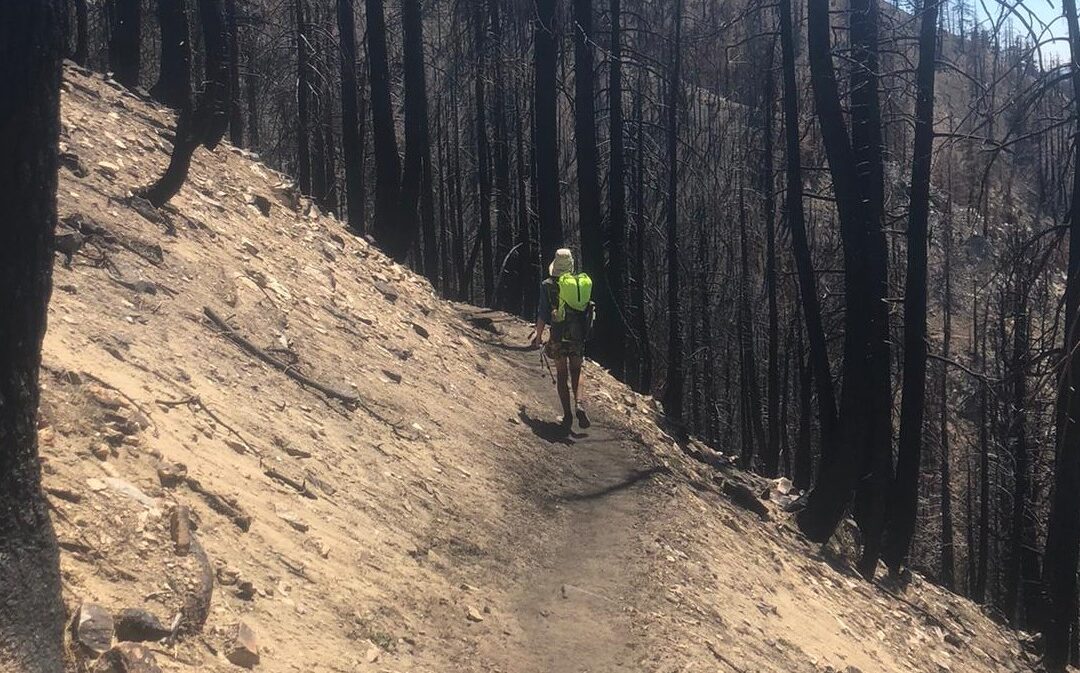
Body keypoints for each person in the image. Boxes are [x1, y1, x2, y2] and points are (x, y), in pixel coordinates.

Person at [532, 248, 592, 430]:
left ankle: (567, 416)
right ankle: (579, 404)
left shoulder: (547, 285)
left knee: (562, 374)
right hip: (577, 335)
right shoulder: (578, 285)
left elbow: (543, 314)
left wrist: (539, 335)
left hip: (558, 334)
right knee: (577, 370)